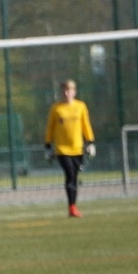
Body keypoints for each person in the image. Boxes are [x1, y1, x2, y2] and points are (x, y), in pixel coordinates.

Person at [45, 79, 96, 218]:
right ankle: (72, 207)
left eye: (70, 90)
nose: (67, 93)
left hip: (77, 148)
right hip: (62, 149)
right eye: (65, 91)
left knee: (74, 177)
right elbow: (50, 128)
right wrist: (48, 146)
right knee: (70, 174)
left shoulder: (81, 106)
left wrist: (90, 142)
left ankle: (73, 206)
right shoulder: (56, 108)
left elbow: (86, 125)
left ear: (74, 92)